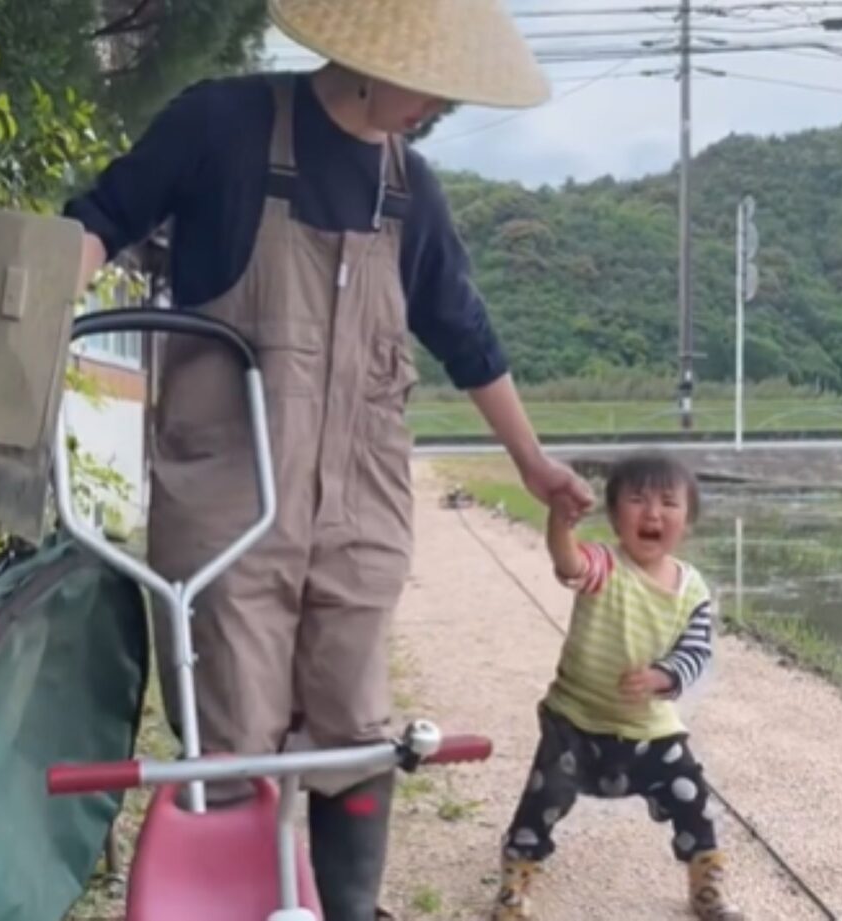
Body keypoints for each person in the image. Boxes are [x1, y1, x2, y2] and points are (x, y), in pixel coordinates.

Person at [64, 1, 593, 917]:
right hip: (228, 507)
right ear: (368, 54)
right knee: (231, 744)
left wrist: (534, 463)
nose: (432, 108)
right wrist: (14, 341)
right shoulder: (219, 125)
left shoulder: (410, 189)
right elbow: (99, 220)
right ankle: (228, 900)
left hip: (360, 512)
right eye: (426, 83)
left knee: (355, 734)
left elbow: (467, 337)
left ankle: (346, 908)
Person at [492, 452, 744, 921]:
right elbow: (568, 563)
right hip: (575, 719)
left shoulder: (693, 589)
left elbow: (696, 652)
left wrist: (664, 676)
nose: (653, 514)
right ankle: (515, 880)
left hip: (650, 727)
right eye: (637, 501)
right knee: (544, 797)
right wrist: (560, 524)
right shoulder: (604, 565)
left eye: (669, 503)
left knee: (693, 798)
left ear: (687, 519)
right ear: (614, 515)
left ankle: (706, 884)